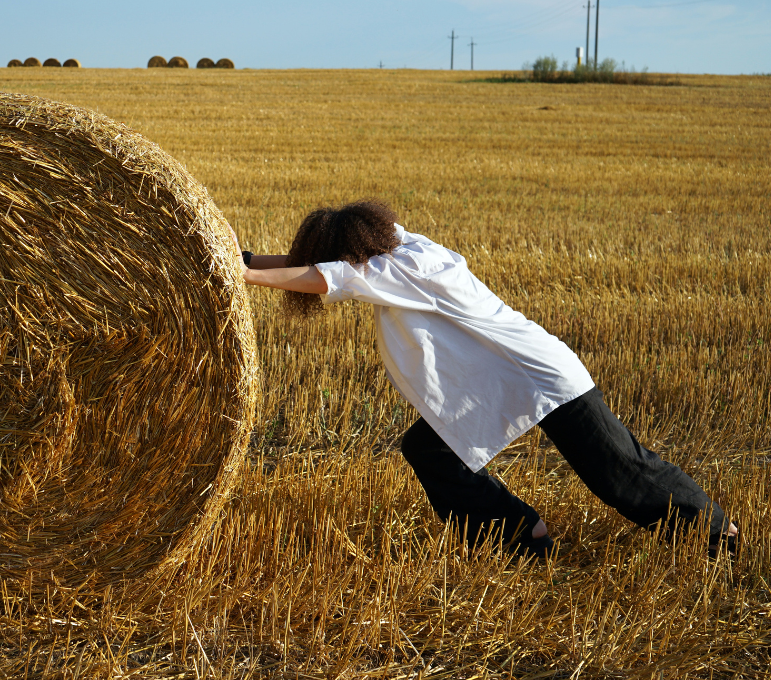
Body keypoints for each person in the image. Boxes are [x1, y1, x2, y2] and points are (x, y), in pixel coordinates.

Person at [237, 199, 738, 559]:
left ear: (354, 253)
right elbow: (318, 267)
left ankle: (718, 533)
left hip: (541, 374)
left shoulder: (408, 267)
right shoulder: (399, 248)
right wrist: (245, 259)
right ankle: (521, 533)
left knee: (620, 470)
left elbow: (323, 276)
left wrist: (243, 274)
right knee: (429, 451)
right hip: (497, 381)